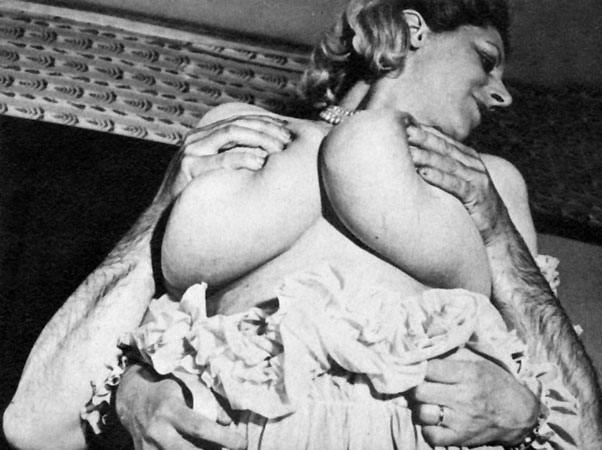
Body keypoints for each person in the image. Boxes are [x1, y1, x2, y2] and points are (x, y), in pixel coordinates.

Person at [3, 0, 601, 449]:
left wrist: (526, 415)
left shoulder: (489, 185)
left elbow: (588, 436)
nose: (502, 96)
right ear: (414, 30)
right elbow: (34, 424)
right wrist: (131, 391)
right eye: (486, 60)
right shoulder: (243, 144)